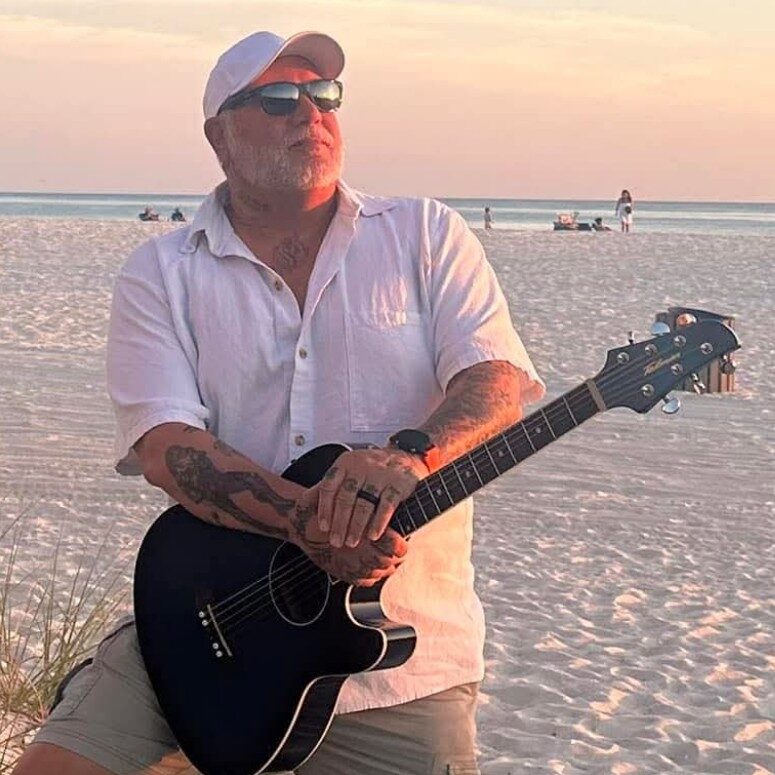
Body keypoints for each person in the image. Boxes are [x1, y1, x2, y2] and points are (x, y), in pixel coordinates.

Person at [14, 30, 544, 775]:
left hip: (398, 665)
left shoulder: (425, 235)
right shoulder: (162, 272)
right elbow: (166, 445)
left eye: (324, 95)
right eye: (278, 98)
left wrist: (408, 458)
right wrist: (307, 521)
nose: (310, 113)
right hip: (204, 629)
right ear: (219, 136)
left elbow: (495, 381)